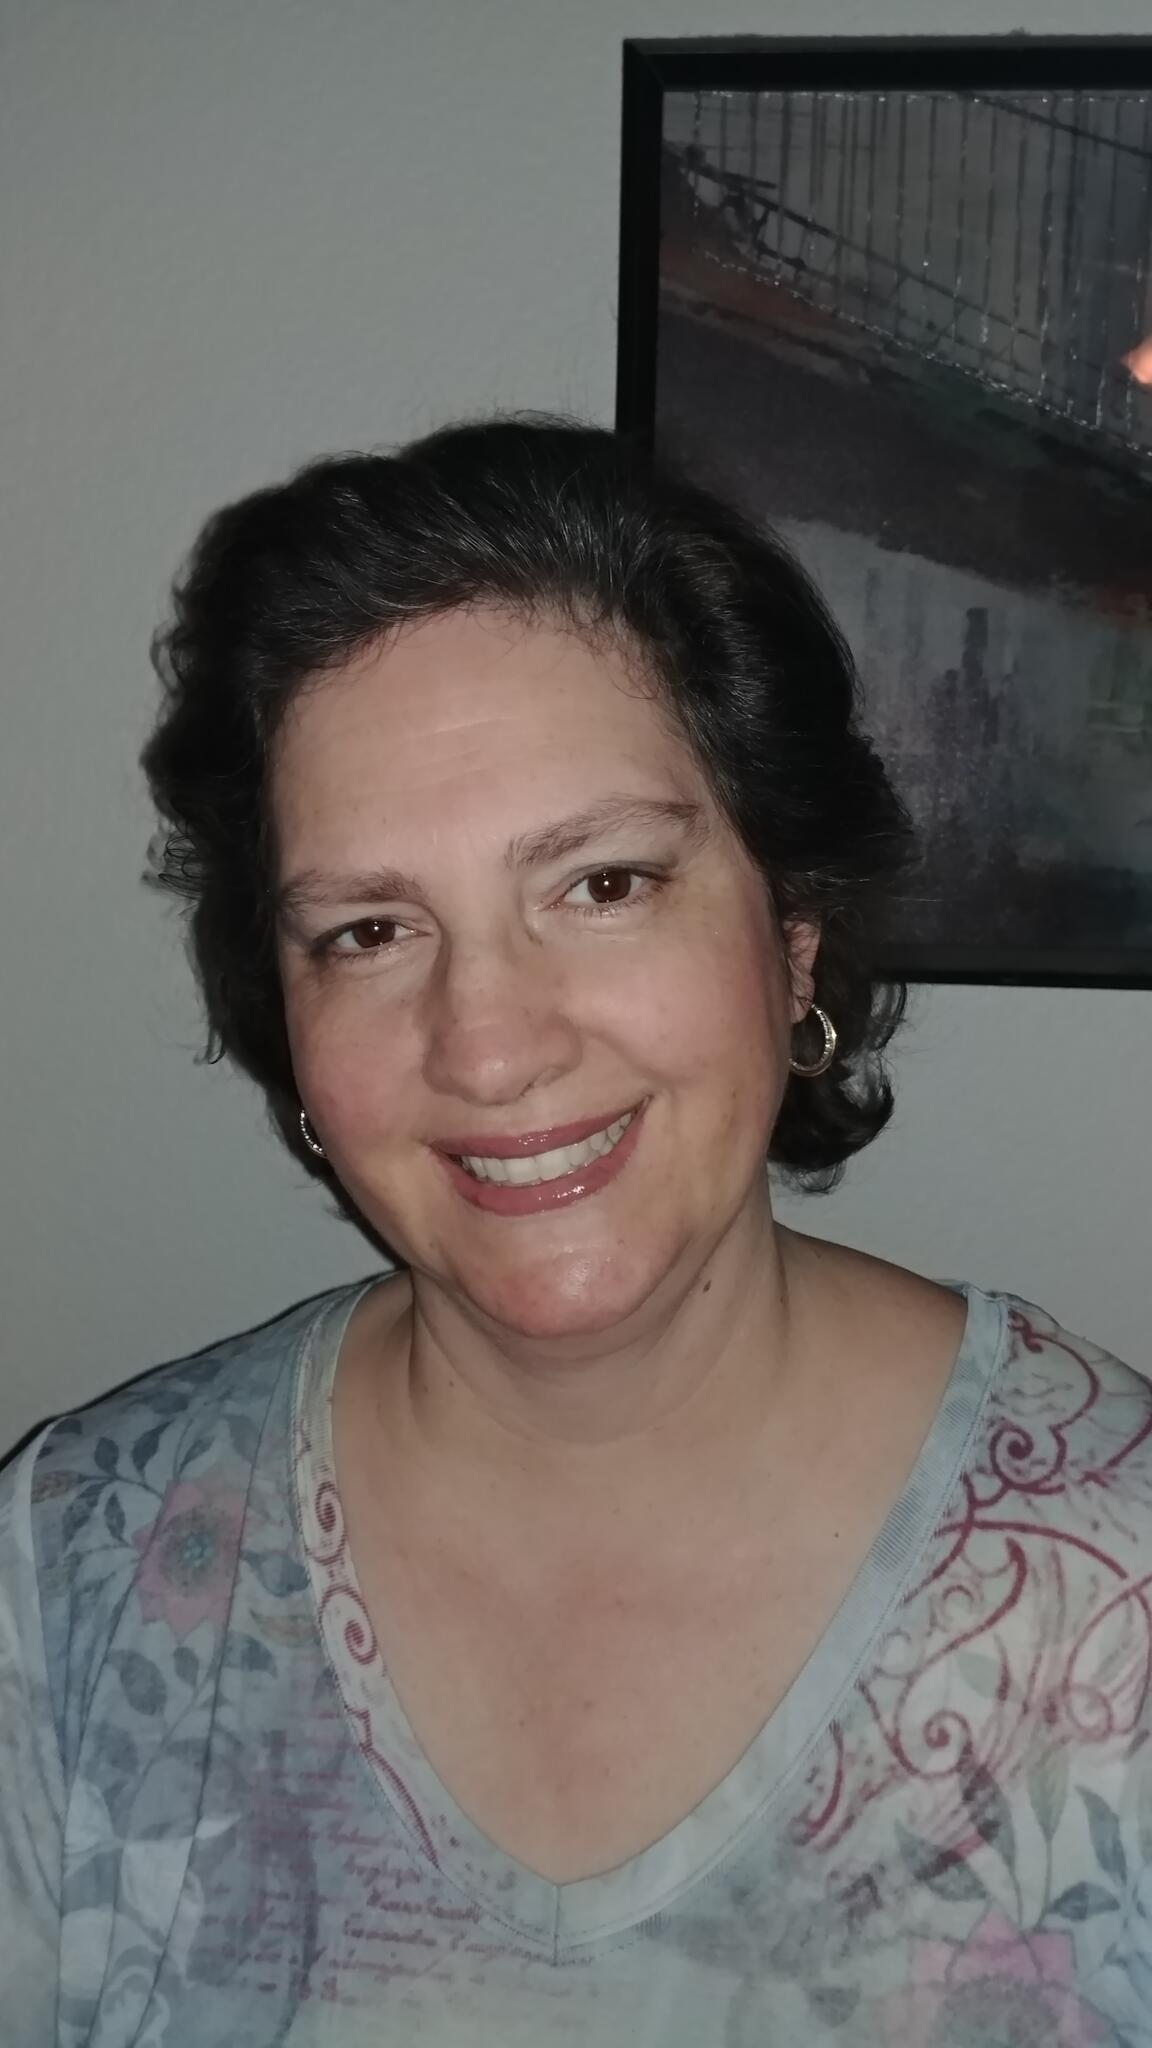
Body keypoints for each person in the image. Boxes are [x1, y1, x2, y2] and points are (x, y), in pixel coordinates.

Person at [2, 417, 1149, 2047]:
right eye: (371, 929)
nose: (488, 1047)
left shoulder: (1116, 1594)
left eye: (602, 885)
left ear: (792, 938)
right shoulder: (72, 1580)